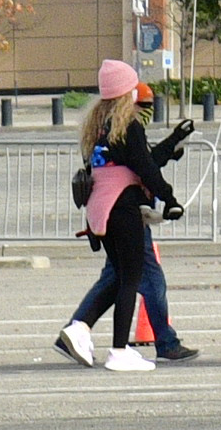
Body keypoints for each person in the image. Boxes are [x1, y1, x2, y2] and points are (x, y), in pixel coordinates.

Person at [60, 61, 202, 369]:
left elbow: (135, 160)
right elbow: (144, 167)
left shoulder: (98, 126)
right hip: (123, 208)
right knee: (131, 278)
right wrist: (169, 198)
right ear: (127, 92)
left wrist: (171, 142)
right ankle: (120, 350)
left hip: (100, 208)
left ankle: (79, 328)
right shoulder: (128, 126)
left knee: (120, 276)